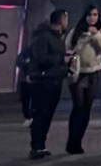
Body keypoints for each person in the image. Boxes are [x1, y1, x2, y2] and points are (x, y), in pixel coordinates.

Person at [64, 5, 101, 154]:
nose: (92, 17)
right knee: (78, 106)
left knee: (86, 109)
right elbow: (69, 49)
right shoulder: (76, 31)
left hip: (93, 73)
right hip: (78, 72)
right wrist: (85, 38)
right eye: (90, 14)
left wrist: (96, 35)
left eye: (95, 14)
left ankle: (78, 142)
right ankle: (71, 141)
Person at [27, 10, 70, 159]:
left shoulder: (58, 37)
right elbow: (41, 58)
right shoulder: (43, 37)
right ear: (61, 20)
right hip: (43, 82)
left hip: (55, 81)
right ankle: (36, 147)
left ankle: (41, 145)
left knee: (48, 115)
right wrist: (61, 59)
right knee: (41, 114)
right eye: (66, 19)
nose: (67, 22)